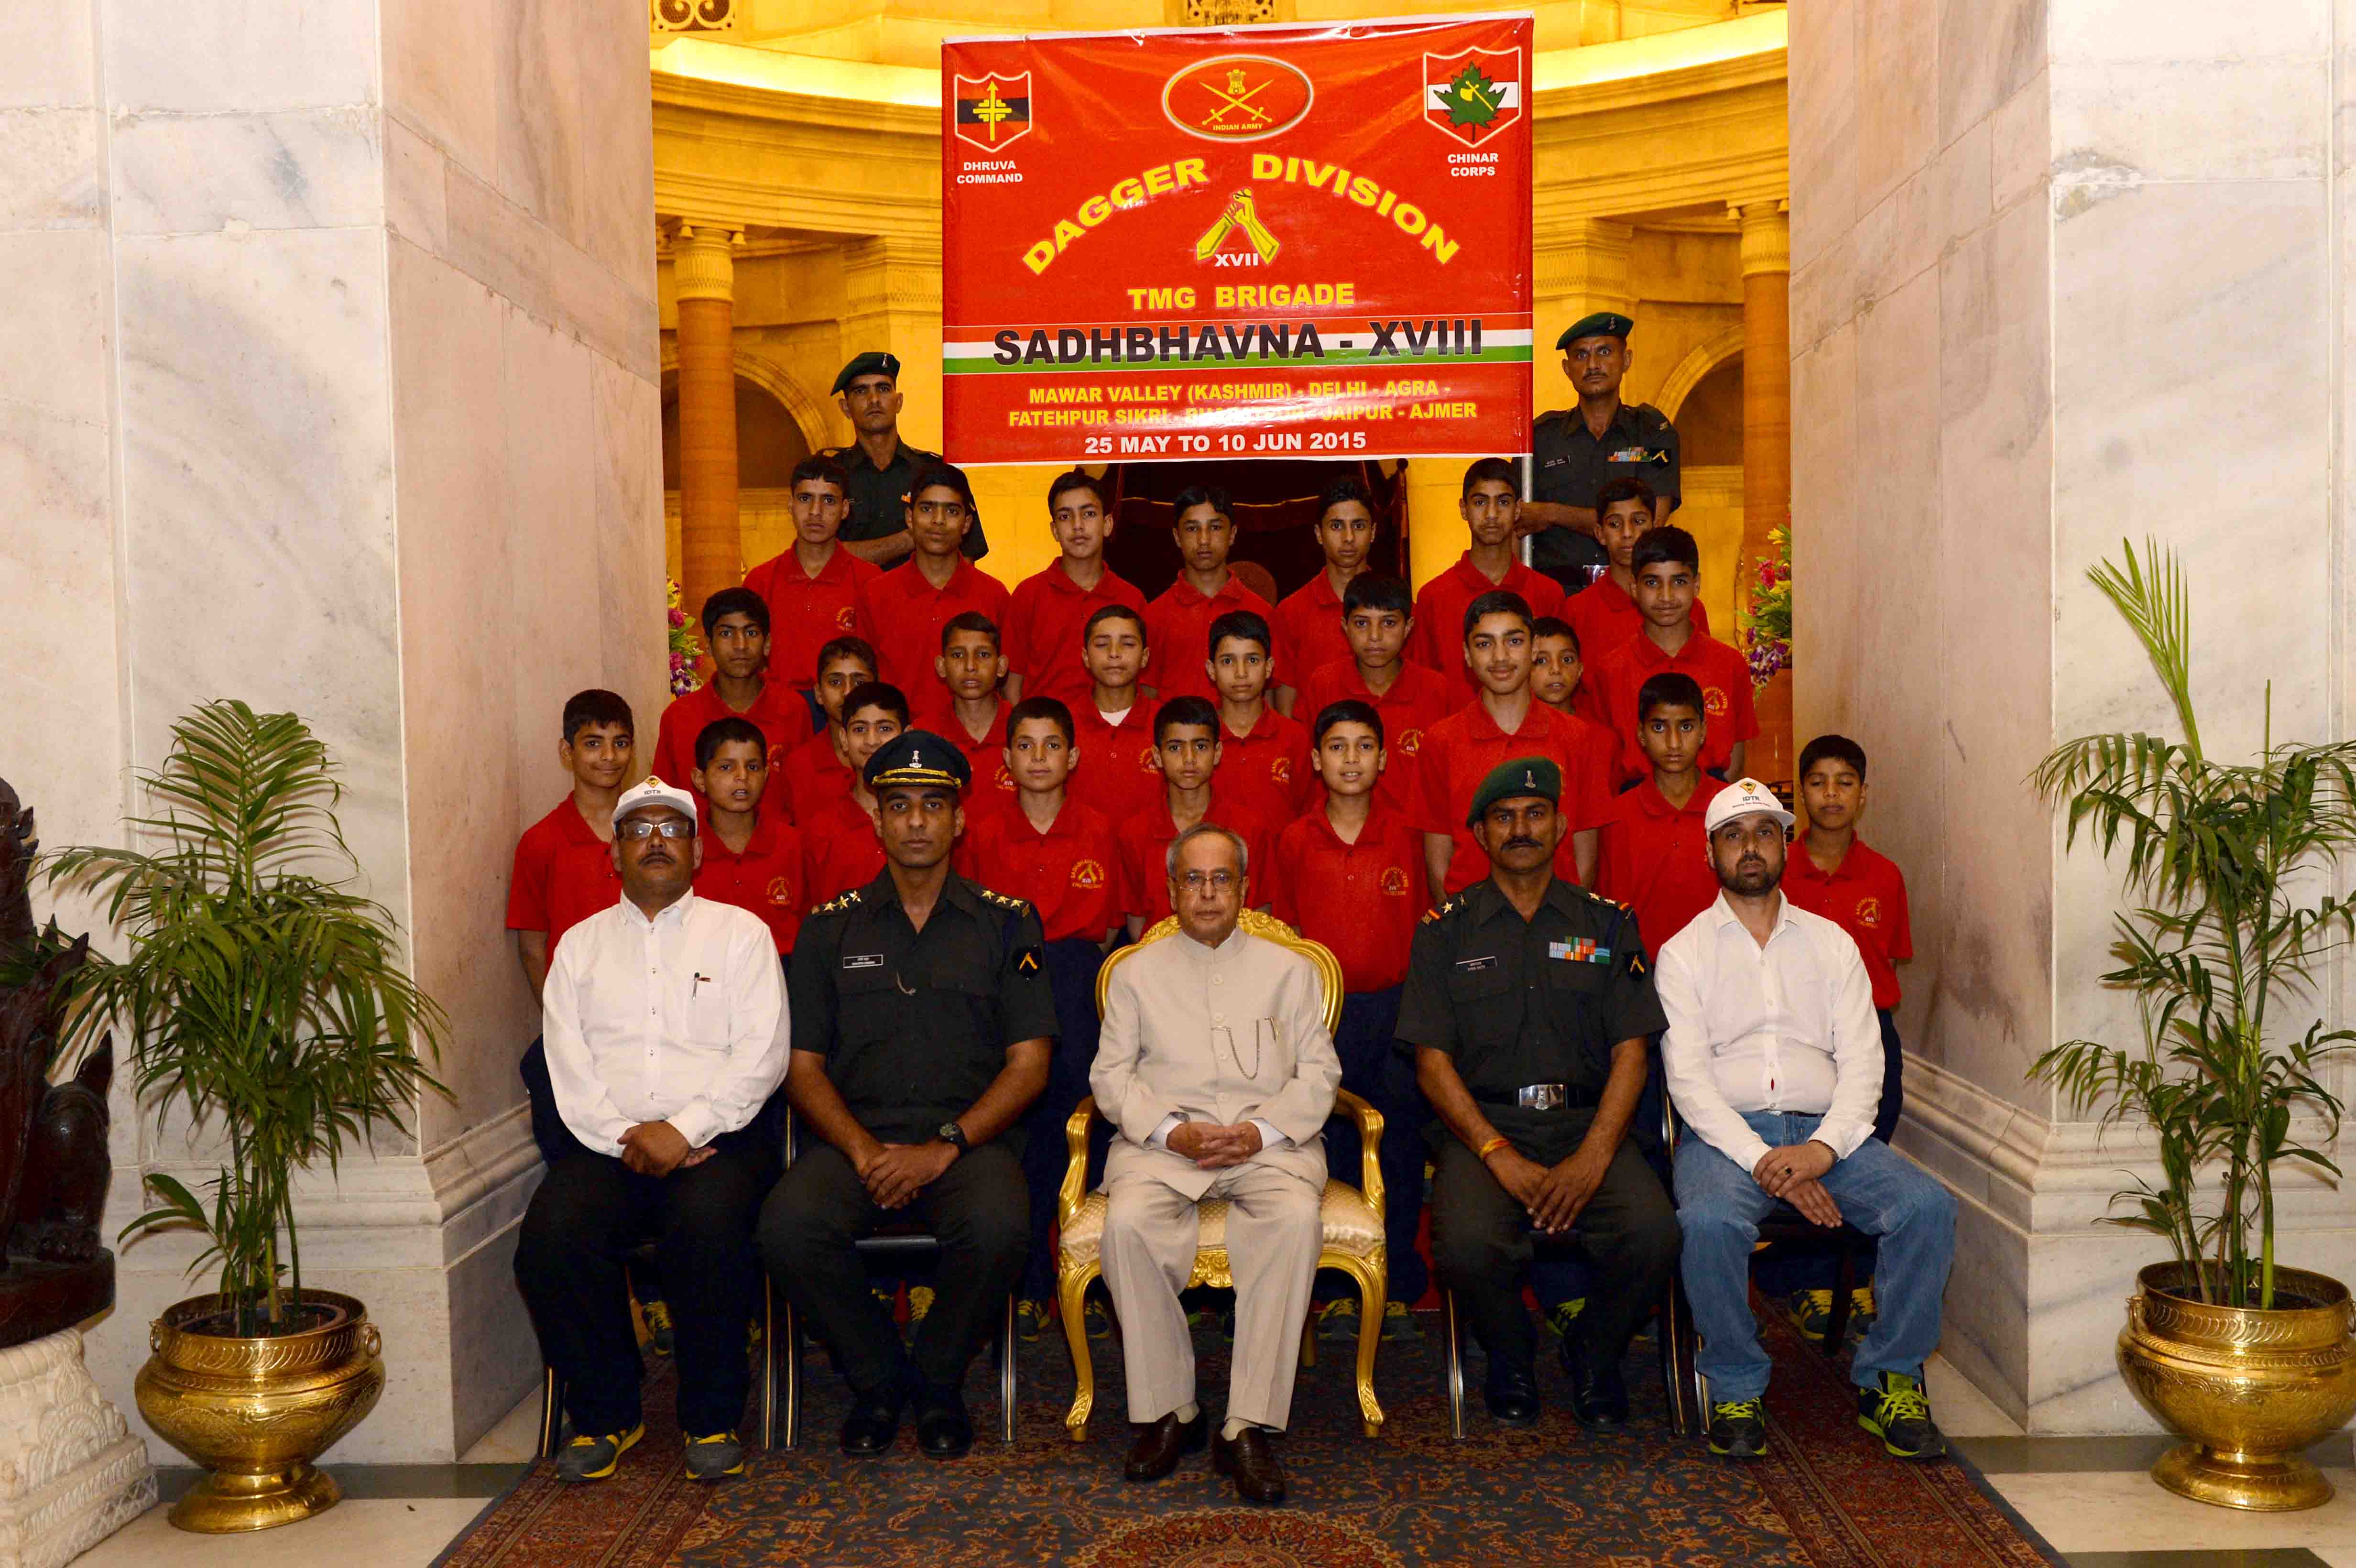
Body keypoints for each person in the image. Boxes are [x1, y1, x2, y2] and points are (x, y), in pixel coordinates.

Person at [760, 732, 1053, 1459]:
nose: (917, 821)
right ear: (877, 820)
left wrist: (941, 1149)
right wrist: (865, 1151)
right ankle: (882, 1377)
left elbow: (1029, 1064)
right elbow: (801, 1066)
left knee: (999, 1227)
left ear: (960, 820)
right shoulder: (829, 929)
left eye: (933, 805)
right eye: (899, 806)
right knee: (786, 1228)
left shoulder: (1009, 922)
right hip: (856, 1139)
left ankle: (938, 1378)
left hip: (966, 1142)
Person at [1656, 778, 1956, 1463]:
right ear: (1711, 855)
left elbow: (1864, 1066)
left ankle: (1891, 1378)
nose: (1750, 848)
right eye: (1734, 836)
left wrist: (1820, 1152)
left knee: (1927, 1208)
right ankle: (1734, 1381)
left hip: (1831, 1135)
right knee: (1706, 1222)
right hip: (1726, 1137)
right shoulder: (1684, 954)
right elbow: (1690, 1086)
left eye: (1764, 831)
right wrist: (1766, 1162)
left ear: (1785, 843)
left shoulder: (1833, 945)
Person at [513, 778, 790, 1484]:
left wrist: (685, 1128)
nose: (658, 841)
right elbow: (566, 1064)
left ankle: (711, 1413)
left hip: (721, 1142)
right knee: (551, 1237)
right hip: (609, 1145)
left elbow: (762, 1055)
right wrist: (630, 1138)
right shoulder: (579, 947)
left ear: (697, 850)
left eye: (673, 828)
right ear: (616, 854)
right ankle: (608, 1412)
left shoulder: (742, 935)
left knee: (708, 1224)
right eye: (640, 830)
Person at [1399, 758, 1680, 1430]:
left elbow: (1632, 1052)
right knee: (1464, 1243)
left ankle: (1596, 1349)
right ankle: (1511, 1352)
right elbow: (1433, 1064)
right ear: (1478, 833)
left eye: (1534, 815)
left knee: (1654, 1233)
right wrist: (1496, 1151)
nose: (1520, 829)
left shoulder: (1609, 925)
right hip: (1487, 1127)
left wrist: (1592, 1158)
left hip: (1592, 1124)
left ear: (1560, 825)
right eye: (1503, 818)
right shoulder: (1444, 931)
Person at [1092, 823, 1342, 1505]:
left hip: (1269, 1148)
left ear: (1244, 888)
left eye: (1221, 879)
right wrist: (1172, 1134)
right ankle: (1170, 1410)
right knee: (1129, 1225)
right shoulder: (1136, 973)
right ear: (1172, 890)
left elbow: (1320, 1077)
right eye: (1193, 880)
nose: (1207, 893)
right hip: (1164, 1150)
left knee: (1294, 1220)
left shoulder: (1290, 971)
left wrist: (1260, 1132)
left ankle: (1246, 1425)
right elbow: (1111, 1079)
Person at [956, 696, 1129, 1341]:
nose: (1038, 758)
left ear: (1073, 756)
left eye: (1051, 745)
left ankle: (1095, 1284)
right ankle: (1028, 1285)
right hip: (1005, 988)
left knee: (1089, 1133)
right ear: (1005, 760)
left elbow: (1114, 926)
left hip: (1078, 982)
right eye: (1025, 746)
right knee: (1018, 1139)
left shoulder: (1100, 828)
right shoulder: (981, 831)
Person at [1265, 701, 1430, 1342]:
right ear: (1315, 760)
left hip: (1395, 1010)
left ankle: (1395, 1283)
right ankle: (1335, 1288)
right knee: (1326, 1143)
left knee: (1399, 1144)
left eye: (1365, 747)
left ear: (1385, 758)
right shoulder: (1295, 840)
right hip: (1319, 1018)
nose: (1352, 759)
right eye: (1338, 747)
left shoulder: (1408, 833)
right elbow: (1284, 936)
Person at [1770, 735, 1913, 1340]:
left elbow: (1891, 962)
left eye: (1844, 782)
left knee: (1858, 1153)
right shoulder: (1777, 871)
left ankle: (1852, 1281)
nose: (1831, 795)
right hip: (1801, 1039)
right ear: (1801, 792)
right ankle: (1803, 1280)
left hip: (1869, 1039)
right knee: (1804, 1155)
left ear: (1863, 794)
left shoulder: (1884, 875)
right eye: (1818, 782)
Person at [1416, 591, 1612, 900]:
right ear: (1467, 655)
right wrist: (1456, 928)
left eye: (1514, 641)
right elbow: (1437, 854)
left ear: (1534, 648)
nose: (1500, 657)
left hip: (1559, 922)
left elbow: (1585, 851)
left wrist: (1570, 919)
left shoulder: (1577, 737)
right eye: (1484, 644)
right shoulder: (1440, 741)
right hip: (1471, 926)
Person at [1523, 312, 1681, 594]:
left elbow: (1653, 522)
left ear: (1627, 361)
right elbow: (1519, 520)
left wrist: (1551, 513)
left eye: (1605, 352)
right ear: (1567, 369)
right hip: (1556, 598)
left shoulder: (1654, 434)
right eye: (1581, 355)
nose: (1593, 365)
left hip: (1631, 595)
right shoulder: (1540, 437)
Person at [1589, 524, 1755, 783]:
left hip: (1713, 808)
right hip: (1633, 808)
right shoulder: (1610, 671)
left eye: (1678, 582)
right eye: (1652, 582)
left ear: (1696, 584)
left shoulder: (1730, 664)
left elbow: (1735, 763)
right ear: (1634, 588)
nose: (1666, 597)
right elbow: (1604, 766)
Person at [509, 689, 633, 1012]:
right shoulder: (541, 841)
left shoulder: (651, 832)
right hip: (579, 1017)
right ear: (567, 751)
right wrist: (559, 1024)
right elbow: (533, 950)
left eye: (620, 743)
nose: (609, 756)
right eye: (593, 743)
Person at [1290, 575, 1453, 820]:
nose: (1375, 636)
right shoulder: (1323, 685)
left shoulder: (1437, 691)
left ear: (1408, 627)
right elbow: (1306, 771)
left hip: (1415, 844)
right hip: (1340, 837)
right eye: (1362, 624)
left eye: (1388, 623)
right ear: (1345, 627)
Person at [1116, 697, 1276, 939]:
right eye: (1175, 747)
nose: (1189, 758)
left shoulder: (1251, 827)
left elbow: (1261, 916)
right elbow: (1138, 924)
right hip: (1162, 965)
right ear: (1157, 757)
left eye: (1200, 746)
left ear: (1218, 752)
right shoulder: (1135, 833)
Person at [1410, 459, 1567, 705]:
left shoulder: (1549, 593)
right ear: (1464, 509)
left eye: (1503, 502)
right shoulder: (1433, 597)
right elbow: (1422, 687)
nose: (1492, 515)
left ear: (1517, 510)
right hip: (1454, 738)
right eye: (1480, 502)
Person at [1593, 674, 1733, 949]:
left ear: (1703, 731)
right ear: (1640, 735)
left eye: (1686, 727)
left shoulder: (1730, 807)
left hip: (1723, 969)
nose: (1673, 743)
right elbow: (1609, 913)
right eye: (1659, 728)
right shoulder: (1617, 816)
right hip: (1642, 974)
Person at [851, 461, 1010, 694]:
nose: (939, 520)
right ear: (909, 518)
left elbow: (1007, 686)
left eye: (952, 511)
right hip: (898, 729)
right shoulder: (876, 595)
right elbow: (863, 682)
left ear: (967, 524)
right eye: (927, 509)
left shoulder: (994, 596)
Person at [824, 351, 989, 566]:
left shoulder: (935, 471)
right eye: (861, 391)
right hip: (851, 599)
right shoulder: (830, 474)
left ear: (899, 402)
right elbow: (824, 557)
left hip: (924, 599)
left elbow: (965, 558)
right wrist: (912, 537)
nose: (874, 399)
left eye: (883, 389)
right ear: (845, 408)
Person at [652, 588, 814, 803]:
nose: (740, 646)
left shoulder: (793, 710)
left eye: (751, 633)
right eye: (727, 633)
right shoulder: (679, 718)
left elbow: (807, 798)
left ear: (767, 644)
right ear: (708, 645)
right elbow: (664, 804)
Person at [1005, 471, 1148, 712]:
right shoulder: (1028, 595)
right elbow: (1012, 688)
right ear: (1054, 530)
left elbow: (1143, 688)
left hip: (1111, 738)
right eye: (1065, 516)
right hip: (1044, 741)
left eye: (1089, 514)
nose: (1078, 525)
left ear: (1108, 524)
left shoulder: (1132, 600)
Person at [741, 454, 881, 697]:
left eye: (828, 500)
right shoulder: (760, 581)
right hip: (777, 716)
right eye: (806, 499)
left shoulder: (871, 581)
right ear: (791, 505)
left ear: (845, 509)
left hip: (846, 712)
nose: (816, 512)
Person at [1562, 478, 1709, 685]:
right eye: (1615, 524)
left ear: (1655, 526)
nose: (1628, 533)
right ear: (1600, 533)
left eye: (1638, 521)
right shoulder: (1576, 611)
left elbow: (1705, 678)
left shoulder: (1689, 608)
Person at [1145, 485, 1274, 705]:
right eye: (1192, 529)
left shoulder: (1262, 612)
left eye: (1215, 527)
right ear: (1177, 536)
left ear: (1232, 534)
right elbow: (1147, 697)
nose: (1204, 540)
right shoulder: (1154, 615)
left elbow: (1269, 700)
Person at [690, 717, 806, 958]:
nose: (742, 776)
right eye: (726, 767)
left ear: (766, 775)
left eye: (752, 767)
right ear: (700, 779)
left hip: (782, 974)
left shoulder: (793, 844)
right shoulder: (685, 847)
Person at [1271, 478, 1378, 715]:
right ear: (1319, 534)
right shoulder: (1291, 613)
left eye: (1359, 526)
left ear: (1374, 532)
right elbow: (1285, 712)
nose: (1349, 538)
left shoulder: (1398, 611)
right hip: (1314, 750)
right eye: (1337, 526)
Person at [799, 682, 908, 906]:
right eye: (860, 729)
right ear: (843, 739)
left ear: (907, 737)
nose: (871, 741)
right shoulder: (820, 831)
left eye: (885, 728)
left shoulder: (925, 821)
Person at [1065, 604, 1166, 827]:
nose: (1114, 653)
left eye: (1128, 644)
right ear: (1086, 657)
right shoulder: (1062, 724)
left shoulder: (1167, 722)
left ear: (1145, 656)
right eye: (1102, 645)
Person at [1207, 610, 1310, 820]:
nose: (1241, 673)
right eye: (1228, 661)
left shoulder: (1296, 738)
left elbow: (1309, 817)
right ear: (1211, 669)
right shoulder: (1200, 738)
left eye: (1252, 660)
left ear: (1269, 667)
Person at [775, 636, 879, 825]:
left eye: (859, 683)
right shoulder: (798, 768)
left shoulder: (892, 757)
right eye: (836, 682)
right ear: (818, 694)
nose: (848, 693)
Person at [918, 611, 1016, 804]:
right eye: (958, 655)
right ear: (941, 666)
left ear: (1001, 665)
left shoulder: (1024, 730)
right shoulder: (923, 736)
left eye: (983, 655)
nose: (970, 666)